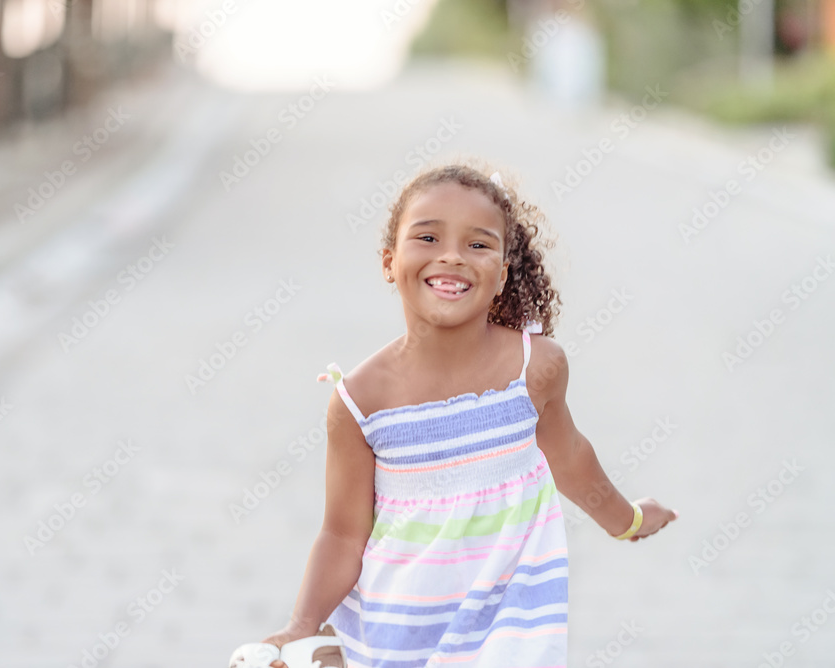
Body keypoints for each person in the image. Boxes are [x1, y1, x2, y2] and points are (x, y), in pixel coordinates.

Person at [257, 161, 678, 667]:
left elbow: (570, 458)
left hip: (512, 630)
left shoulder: (534, 367)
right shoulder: (360, 401)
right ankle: (328, 649)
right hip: (396, 635)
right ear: (390, 261)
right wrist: (298, 626)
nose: (452, 257)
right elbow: (343, 533)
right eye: (428, 238)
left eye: (478, 244)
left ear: (502, 273)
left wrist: (627, 520)